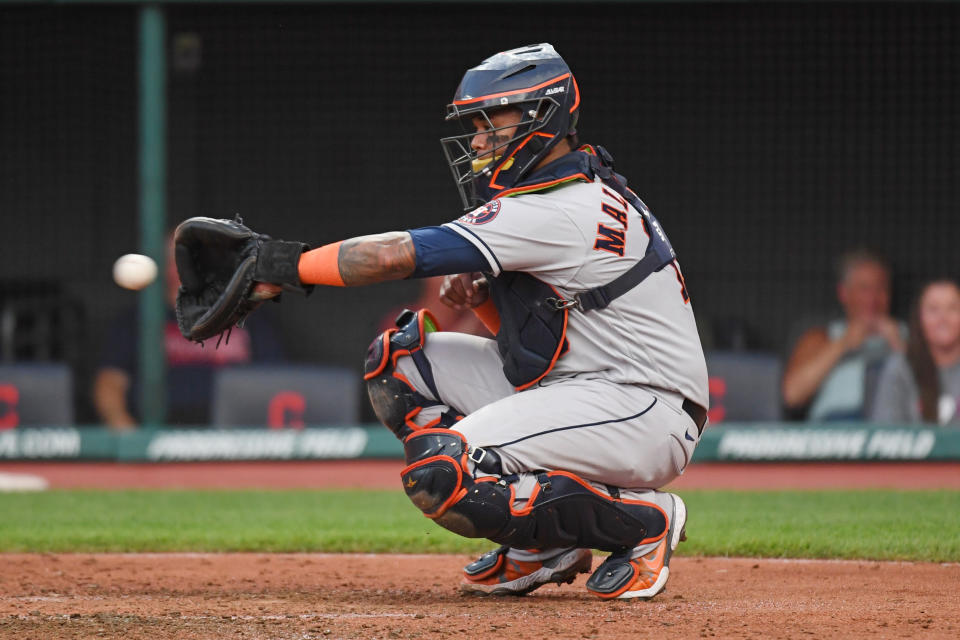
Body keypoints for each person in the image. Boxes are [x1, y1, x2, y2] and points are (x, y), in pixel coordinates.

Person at [178, 44, 708, 600]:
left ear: (542, 118)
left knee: (445, 474)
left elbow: (393, 257)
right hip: (590, 387)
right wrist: (485, 304)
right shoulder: (569, 192)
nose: (479, 140)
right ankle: (546, 544)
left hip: (640, 409)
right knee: (402, 363)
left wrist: (279, 267)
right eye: (476, 126)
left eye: (492, 122)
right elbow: (539, 345)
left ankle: (645, 523)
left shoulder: (561, 205)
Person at [93, 235, 284, 429]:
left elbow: (274, 384)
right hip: (157, 437)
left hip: (234, 439)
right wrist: (130, 437)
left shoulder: (249, 316)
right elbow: (110, 383)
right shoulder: (136, 321)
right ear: (166, 268)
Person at [782, 249, 905, 420]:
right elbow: (792, 395)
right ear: (843, 293)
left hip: (895, 429)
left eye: (881, 289)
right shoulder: (822, 336)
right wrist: (842, 344)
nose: (873, 299)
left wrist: (899, 344)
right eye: (864, 288)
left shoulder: (911, 336)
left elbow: (941, 393)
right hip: (836, 428)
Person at [871, 279, 960, 425]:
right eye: (933, 309)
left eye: (952, 308)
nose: (943, 318)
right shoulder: (900, 367)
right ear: (919, 318)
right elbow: (886, 432)